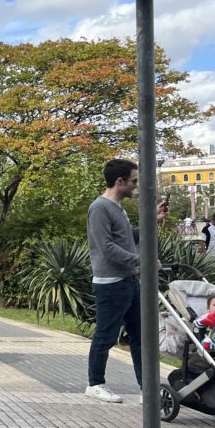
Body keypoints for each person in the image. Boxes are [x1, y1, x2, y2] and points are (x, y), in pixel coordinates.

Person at [86, 158, 167, 403]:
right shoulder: (100, 208)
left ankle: (147, 389)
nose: (135, 185)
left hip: (130, 281)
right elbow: (107, 248)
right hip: (111, 284)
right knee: (106, 335)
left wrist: (152, 219)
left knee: (140, 336)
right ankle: (95, 383)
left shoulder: (117, 208)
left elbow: (127, 238)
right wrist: (143, 262)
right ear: (119, 181)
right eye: (133, 181)